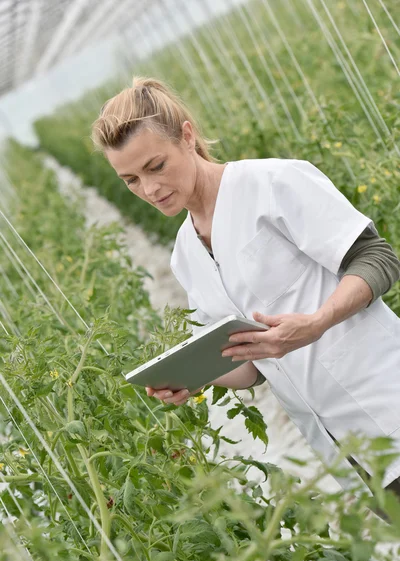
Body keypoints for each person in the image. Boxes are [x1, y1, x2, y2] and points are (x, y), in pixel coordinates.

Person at [91, 75, 400, 500]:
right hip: (346, 451)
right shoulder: (185, 252)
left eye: (155, 166)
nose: (149, 189)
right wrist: (195, 379)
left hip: (387, 399)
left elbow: (378, 258)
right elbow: (250, 366)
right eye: (130, 180)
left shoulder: (272, 185)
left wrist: (317, 322)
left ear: (187, 136)